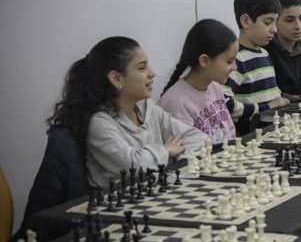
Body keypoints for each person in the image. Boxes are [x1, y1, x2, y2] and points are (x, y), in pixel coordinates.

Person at [48, 36, 206, 188]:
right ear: (117, 79)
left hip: (156, 191)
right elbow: (134, 166)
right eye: (142, 68)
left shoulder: (148, 108)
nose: (152, 73)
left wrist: (175, 155)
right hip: (121, 203)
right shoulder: (100, 123)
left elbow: (197, 137)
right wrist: (165, 151)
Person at [159, 19, 239, 145]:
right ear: (204, 61)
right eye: (229, 61)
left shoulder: (215, 87)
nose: (235, 67)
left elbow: (230, 132)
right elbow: (186, 151)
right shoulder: (176, 103)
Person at [223, 0, 290, 135]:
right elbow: (225, 104)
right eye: (268, 22)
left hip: (272, 131)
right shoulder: (235, 59)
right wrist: (267, 107)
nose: (274, 29)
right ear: (246, 21)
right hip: (251, 136)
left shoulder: (264, 54)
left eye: (275, 22)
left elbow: (270, 94)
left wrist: (283, 98)